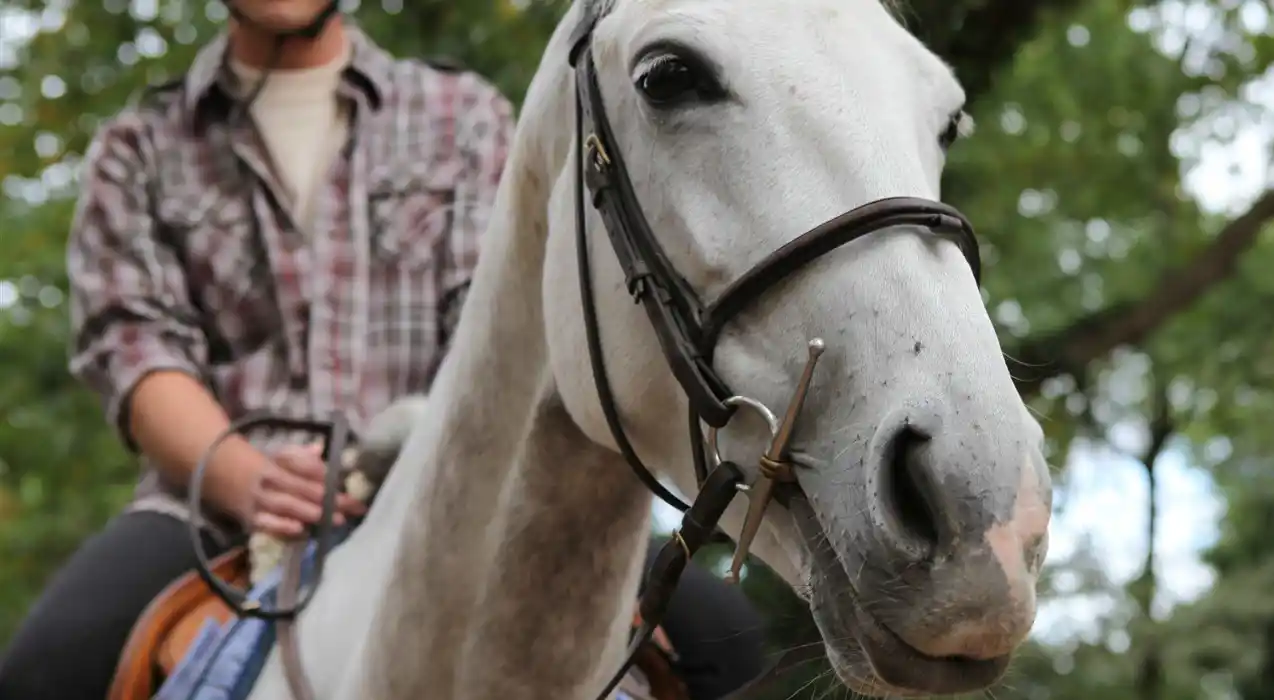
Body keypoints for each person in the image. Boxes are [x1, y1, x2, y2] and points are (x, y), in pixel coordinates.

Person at [0, 2, 765, 699]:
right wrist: (245, 478)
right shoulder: (138, 148)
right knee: (47, 665)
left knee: (724, 641)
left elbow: (504, 329)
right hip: (215, 508)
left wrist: (416, 459)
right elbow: (136, 349)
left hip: (447, 488)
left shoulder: (459, 117)